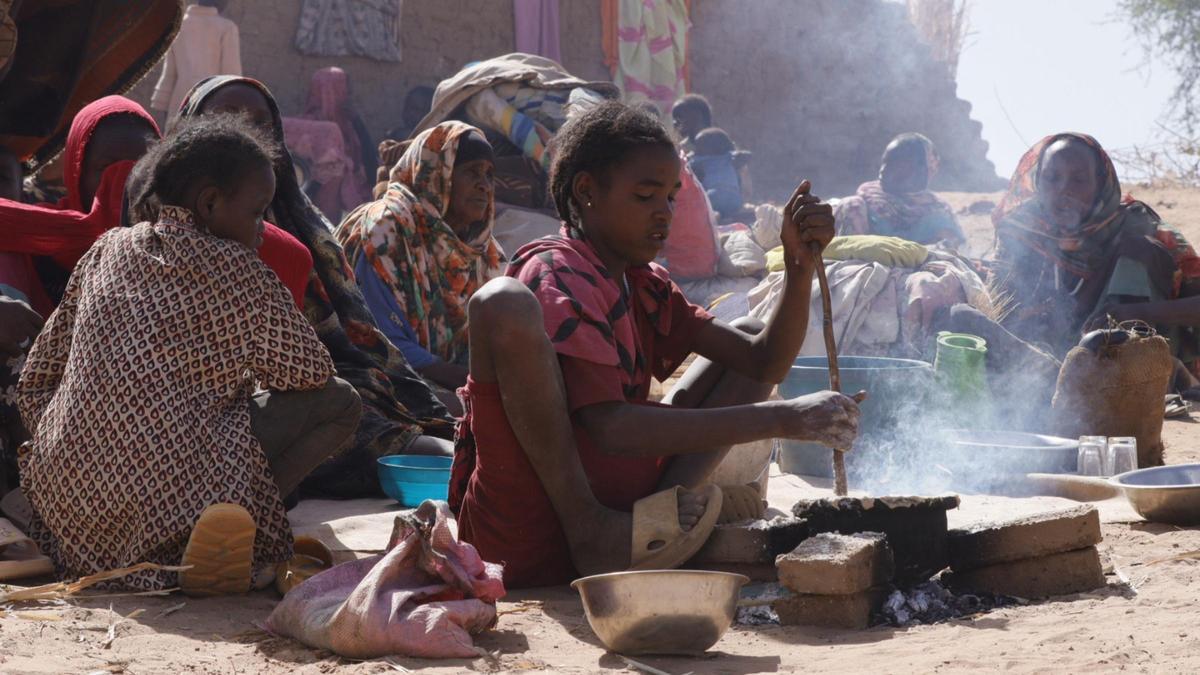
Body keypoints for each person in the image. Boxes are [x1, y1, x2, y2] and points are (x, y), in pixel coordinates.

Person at [450, 102, 860, 588]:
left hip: (629, 518)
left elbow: (764, 360)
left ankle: (656, 516)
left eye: (670, 197)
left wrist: (797, 267)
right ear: (586, 192)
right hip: (537, 536)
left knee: (749, 332)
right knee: (502, 300)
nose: (664, 214)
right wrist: (785, 418)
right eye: (646, 196)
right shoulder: (557, 273)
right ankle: (593, 531)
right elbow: (610, 430)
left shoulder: (642, 283)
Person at [17, 114, 361, 594]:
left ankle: (203, 528)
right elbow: (311, 375)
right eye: (258, 212)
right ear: (210, 203)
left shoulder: (108, 248)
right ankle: (235, 532)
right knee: (342, 400)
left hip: (68, 518)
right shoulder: (244, 273)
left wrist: (78, 447)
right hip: (168, 507)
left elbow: (37, 378)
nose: (264, 229)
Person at [174, 76, 457, 498]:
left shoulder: (299, 229)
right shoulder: (155, 236)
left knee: (416, 411)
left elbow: (345, 341)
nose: (244, 134)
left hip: (315, 377)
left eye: (260, 123)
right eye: (225, 118)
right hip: (221, 407)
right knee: (358, 420)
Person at [337, 123, 503, 416]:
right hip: (373, 377)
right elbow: (379, 342)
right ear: (438, 175)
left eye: (489, 175)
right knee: (469, 411)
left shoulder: (482, 251)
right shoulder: (386, 233)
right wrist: (474, 383)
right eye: (472, 172)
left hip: (447, 379)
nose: (484, 186)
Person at [835, 133, 965, 246]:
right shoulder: (859, 206)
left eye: (896, 166)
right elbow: (849, 250)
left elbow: (951, 255)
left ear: (922, 172)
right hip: (862, 269)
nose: (883, 171)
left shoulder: (939, 215)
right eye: (884, 162)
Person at [150, 0, 242, 127]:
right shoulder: (227, 28)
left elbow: (169, 73)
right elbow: (231, 76)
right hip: (212, 104)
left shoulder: (179, 24)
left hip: (179, 103)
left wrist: (164, 107)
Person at [301, 67, 375, 222]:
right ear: (331, 92)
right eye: (345, 92)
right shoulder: (311, 131)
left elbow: (372, 166)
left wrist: (357, 122)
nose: (348, 99)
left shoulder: (348, 126)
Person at [688, 127, 745, 220]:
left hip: (713, 195)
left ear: (711, 147)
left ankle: (716, 215)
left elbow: (686, 166)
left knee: (704, 206)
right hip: (735, 198)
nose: (696, 149)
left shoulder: (700, 160)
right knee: (729, 209)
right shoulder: (728, 157)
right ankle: (726, 216)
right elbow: (746, 155)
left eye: (699, 145)